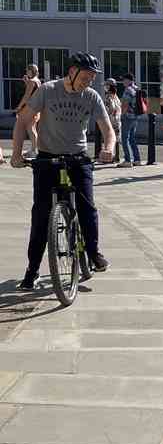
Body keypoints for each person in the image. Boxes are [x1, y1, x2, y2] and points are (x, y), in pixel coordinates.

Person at [11, 52, 115, 290]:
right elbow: (22, 120)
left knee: (88, 208)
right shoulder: (48, 90)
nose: (88, 82)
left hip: (78, 158)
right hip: (47, 158)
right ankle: (33, 269)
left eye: (92, 78)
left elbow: (108, 130)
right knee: (40, 215)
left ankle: (93, 253)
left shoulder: (91, 96)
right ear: (72, 72)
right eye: (85, 77)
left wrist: (108, 148)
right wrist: (17, 154)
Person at [15, 63, 42, 157]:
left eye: (27, 70)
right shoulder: (37, 81)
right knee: (32, 128)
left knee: (30, 129)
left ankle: (35, 151)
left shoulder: (32, 81)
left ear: (31, 71)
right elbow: (33, 92)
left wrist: (19, 107)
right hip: (36, 108)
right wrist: (26, 82)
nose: (26, 72)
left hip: (31, 109)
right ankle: (34, 149)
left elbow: (27, 96)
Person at [118, 72, 142, 168]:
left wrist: (121, 114)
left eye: (124, 79)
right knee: (132, 138)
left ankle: (127, 160)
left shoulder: (128, 90)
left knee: (124, 138)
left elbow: (125, 105)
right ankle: (137, 159)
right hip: (135, 117)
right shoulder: (136, 88)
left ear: (128, 80)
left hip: (127, 117)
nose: (122, 81)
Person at [104, 78, 121, 163]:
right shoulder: (116, 96)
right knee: (117, 139)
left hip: (110, 120)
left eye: (106, 85)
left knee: (109, 138)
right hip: (117, 120)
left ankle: (109, 157)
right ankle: (117, 157)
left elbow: (107, 109)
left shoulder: (108, 96)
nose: (105, 87)